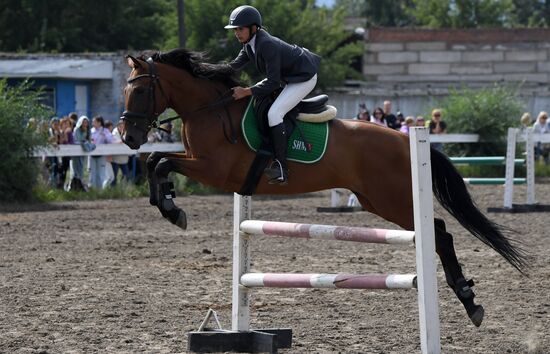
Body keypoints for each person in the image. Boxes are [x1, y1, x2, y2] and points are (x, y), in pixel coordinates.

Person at [226, 5, 321, 185]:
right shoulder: (249, 46)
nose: (237, 33)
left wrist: (246, 91)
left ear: (253, 28)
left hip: (304, 77)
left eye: (240, 29)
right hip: (290, 77)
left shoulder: (266, 44)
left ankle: (281, 168)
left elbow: (273, 82)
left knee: (274, 113)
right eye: (235, 30)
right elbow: (232, 67)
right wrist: (205, 71)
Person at [89, 115, 113, 189]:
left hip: (101, 155)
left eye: (94, 122)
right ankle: (92, 189)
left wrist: (105, 135)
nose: (93, 123)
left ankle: (100, 190)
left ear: (99, 123)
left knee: (101, 173)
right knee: (92, 173)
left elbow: (111, 140)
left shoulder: (105, 131)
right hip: (92, 155)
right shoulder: (91, 130)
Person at [70, 116, 91, 191]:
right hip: (76, 151)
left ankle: (79, 186)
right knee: (76, 169)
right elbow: (77, 139)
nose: (85, 124)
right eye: (84, 122)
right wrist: (84, 139)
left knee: (81, 169)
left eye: (86, 122)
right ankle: (74, 186)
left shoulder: (88, 130)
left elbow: (89, 140)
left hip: (83, 151)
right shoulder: (77, 129)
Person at [110, 119, 130, 186]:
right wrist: (123, 142)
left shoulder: (127, 132)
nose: (122, 128)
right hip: (115, 158)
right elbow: (115, 142)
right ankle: (113, 190)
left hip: (124, 158)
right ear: (118, 126)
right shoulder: (114, 132)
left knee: (126, 175)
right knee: (114, 176)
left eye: (124, 126)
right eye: (121, 126)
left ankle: (124, 188)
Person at [58, 117, 74, 190]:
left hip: (69, 155)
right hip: (60, 155)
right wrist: (63, 133)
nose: (66, 125)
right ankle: (60, 187)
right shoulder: (59, 132)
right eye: (64, 124)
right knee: (62, 172)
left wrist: (66, 134)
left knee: (69, 172)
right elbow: (61, 142)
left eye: (68, 124)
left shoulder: (70, 133)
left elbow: (70, 142)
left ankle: (67, 187)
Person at [47, 117, 62, 188]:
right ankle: (51, 186)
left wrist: (60, 134)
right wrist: (55, 136)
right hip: (50, 154)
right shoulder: (49, 131)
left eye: (58, 124)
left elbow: (62, 142)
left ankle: (56, 186)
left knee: (57, 170)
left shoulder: (60, 132)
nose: (56, 126)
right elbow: (47, 141)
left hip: (58, 154)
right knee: (52, 169)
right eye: (55, 124)